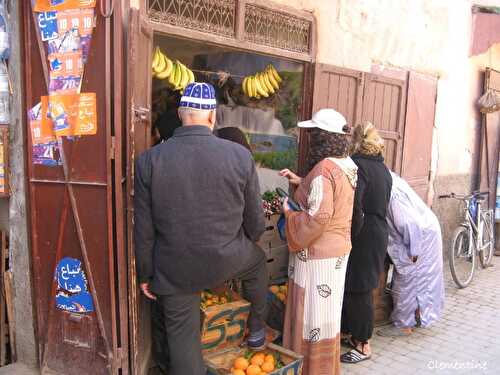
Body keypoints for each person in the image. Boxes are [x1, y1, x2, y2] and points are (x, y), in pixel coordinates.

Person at [134, 82, 268, 375]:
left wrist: (146, 274)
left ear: (182, 114)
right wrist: (246, 241)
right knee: (258, 262)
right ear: (212, 117)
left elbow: (143, 229)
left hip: (175, 268)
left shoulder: (149, 161)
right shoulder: (239, 156)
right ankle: (257, 331)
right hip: (228, 258)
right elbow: (255, 221)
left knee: (183, 344)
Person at [279, 109, 358, 375]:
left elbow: (319, 216)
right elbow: (333, 196)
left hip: (317, 255)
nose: (310, 139)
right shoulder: (346, 163)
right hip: (337, 253)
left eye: (313, 134)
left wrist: (289, 214)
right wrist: (302, 181)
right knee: (327, 317)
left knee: (310, 314)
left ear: (322, 137)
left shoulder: (324, 169)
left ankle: (309, 369)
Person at [340, 121, 392, 364]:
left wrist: (350, 235)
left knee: (358, 289)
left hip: (364, 233)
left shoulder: (358, 166)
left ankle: (364, 345)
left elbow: (356, 207)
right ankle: (352, 334)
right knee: (357, 286)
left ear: (357, 142)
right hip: (377, 230)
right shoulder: (382, 169)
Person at [377, 172, 445, 337]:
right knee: (423, 279)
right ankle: (418, 315)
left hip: (420, 236)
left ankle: (403, 325)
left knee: (408, 279)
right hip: (426, 231)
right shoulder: (391, 180)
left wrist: (414, 250)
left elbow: (408, 223)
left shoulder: (392, 193)